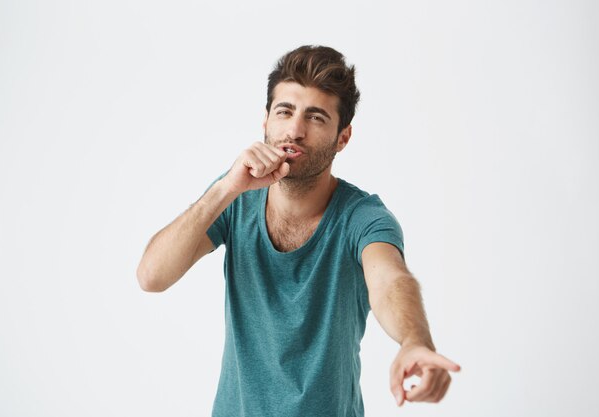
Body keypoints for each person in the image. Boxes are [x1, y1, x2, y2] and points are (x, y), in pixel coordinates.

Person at [136, 45, 460, 416]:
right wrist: (226, 187)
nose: (294, 130)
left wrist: (414, 341)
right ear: (265, 121)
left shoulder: (363, 217)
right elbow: (151, 276)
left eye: (316, 117)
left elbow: (390, 281)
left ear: (343, 137)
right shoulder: (234, 199)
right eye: (284, 112)